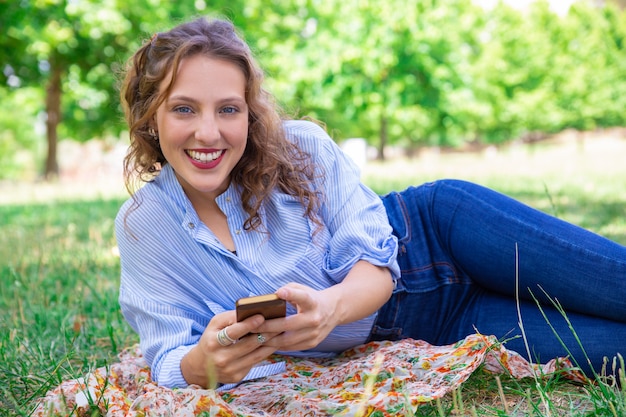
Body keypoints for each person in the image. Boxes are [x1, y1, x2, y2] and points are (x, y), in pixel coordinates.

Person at [116, 16, 626, 390]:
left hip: (439, 234)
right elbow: (168, 354)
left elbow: (377, 267)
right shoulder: (145, 227)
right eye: (184, 108)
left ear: (249, 114)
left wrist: (330, 310)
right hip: (436, 327)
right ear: (149, 117)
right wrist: (205, 362)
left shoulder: (301, 146)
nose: (209, 132)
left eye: (228, 109)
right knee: (612, 352)